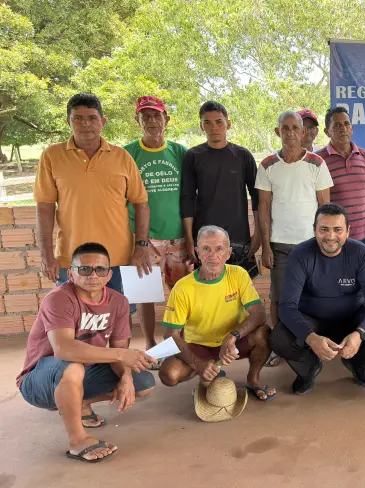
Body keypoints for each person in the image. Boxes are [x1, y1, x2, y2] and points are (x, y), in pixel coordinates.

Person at [17, 242, 157, 463]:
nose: (93, 275)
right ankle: (77, 441)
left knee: (143, 383)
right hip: (39, 381)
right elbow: (64, 349)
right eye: (84, 269)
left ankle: (79, 403)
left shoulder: (118, 302)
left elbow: (120, 349)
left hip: (81, 372)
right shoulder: (59, 299)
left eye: (100, 269)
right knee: (72, 365)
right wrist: (121, 356)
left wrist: (126, 377)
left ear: (109, 275)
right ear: (71, 274)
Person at [270, 203, 365, 394]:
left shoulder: (361, 253)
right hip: (312, 321)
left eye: (337, 229)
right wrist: (311, 338)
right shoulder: (300, 254)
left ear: (348, 231)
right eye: (324, 229)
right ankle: (308, 369)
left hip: (352, 319)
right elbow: (287, 306)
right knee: (279, 339)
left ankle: (357, 362)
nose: (330, 236)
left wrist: (360, 333)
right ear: (314, 230)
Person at [35, 93, 152, 297]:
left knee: (117, 320)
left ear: (103, 122)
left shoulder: (121, 157)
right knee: (73, 321)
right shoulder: (52, 156)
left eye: (92, 118)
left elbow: (141, 203)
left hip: (117, 258)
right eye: (77, 118)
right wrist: (46, 254)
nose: (85, 124)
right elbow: (44, 208)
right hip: (71, 260)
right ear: (68, 122)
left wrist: (141, 246)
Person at [158, 225, 276, 401]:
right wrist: (197, 364)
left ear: (228, 253)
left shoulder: (238, 274)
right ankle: (208, 372)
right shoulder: (182, 287)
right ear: (197, 252)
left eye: (219, 249)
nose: (212, 256)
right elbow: (170, 335)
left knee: (264, 334)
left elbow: (258, 314)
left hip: (233, 344)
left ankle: (253, 379)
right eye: (206, 249)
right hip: (198, 346)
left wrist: (232, 336)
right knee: (168, 374)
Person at [257, 110, 333, 365]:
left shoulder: (316, 164)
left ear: (303, 132)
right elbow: (264, 209)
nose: (290, 133)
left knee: (315, 294)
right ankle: (281, 346)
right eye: (285, 128)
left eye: (295, 128)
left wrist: (325, 243)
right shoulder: (267, 165)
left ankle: (316, 342)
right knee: (279, 297)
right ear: (278, 132)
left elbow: (325, 208)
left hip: (311, 245)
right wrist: (265, 246)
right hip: (280, 245)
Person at [123, 95, 191, 355]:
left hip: (177, 237)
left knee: (181, 292)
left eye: (157, 115)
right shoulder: (128, 153)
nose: (152, 121)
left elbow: (190, 194)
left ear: (167, 119)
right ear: (137, 120)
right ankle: (150, 343)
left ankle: (180, 340)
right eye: (145, 116)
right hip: (143, 238)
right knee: (144, 294)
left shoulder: (180, 152)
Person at [316, 106, 365, 311]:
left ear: (352, 128)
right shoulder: (319, 161)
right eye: (337, 125)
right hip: (337, 239)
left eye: (346, 124)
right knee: (338, 286)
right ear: (327, 131)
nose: (343, 128)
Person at [181, 101, 261, 278]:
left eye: (219, 121)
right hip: (204, 237)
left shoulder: (242, 156)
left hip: (238, 236)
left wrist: (259, 233)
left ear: (228, 124)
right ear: (201, 126)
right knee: (207, 290)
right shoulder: (193, 156)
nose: (214, 127)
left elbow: (257, 197)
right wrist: (188, 238)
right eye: (207, 122)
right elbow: (187, 199)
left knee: (239, 291)